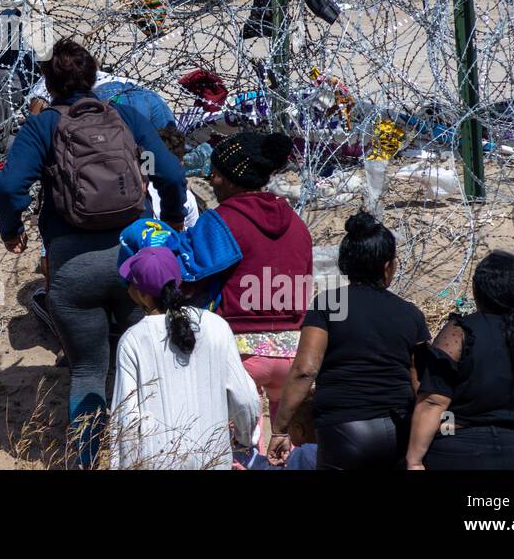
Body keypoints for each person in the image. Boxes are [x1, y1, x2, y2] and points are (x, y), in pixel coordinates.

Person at [0, 37, 187, 468]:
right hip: (135, 264)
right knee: (139, 364)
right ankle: (153, 454)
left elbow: (9, 187)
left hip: (73, 268)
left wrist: (11, 230)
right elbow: (171, 173)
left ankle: (86, 459)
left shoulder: (42, 127)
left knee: (87, 370)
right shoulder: (126, 117)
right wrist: (171, 217)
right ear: (94, 76)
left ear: (49, 84)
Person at [268, 211, 430, 469]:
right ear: (389, 266)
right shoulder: (411, 314)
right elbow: (421, 382)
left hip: (344, 430)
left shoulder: (329, 304)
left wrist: (280, 428)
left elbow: (304, 370)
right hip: (399, 429)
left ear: (345, 264)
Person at [406, 251, 514, 470]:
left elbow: (433, 402)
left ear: (479, 292)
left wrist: (414, 460)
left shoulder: (459, 333)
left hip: (455, 452)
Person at [201, 131, 312, 452]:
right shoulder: (296, 222)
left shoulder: (220, 221)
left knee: (240, 445)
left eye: (217, 172)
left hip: (240, 350)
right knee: (287, 443)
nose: (212, 179)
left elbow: (194, 274)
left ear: (234, 179)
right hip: (292, 351)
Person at [110, 247, 260, 469]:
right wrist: (245, 437)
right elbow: (245, 397)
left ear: (142, 294)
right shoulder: (216, 325)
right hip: (214, 458)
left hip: (158, 461)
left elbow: (127, 419)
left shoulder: (133, 341)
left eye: (131, 283)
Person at [26, 63, 176, 129]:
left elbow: (36, 109)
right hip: (150, 96)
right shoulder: (88, 73)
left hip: (114, 98)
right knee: (168, 151)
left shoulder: (50, 78)